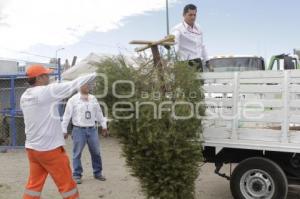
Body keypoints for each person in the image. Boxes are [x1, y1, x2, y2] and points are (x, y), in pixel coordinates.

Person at [21, 64, 96, 199]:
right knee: (68, 187)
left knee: (33, 187)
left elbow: (59, 87)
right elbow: (74, 85)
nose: (49, 77)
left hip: (33, 150)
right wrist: (97, 72)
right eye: (46, 75)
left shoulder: (25, 96)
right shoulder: (45, 92)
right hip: (50, 150)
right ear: (39, 78)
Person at [62, 83, 108, 184]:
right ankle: (77, 175)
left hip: (92, 129)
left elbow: (99, 113)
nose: (88, 87)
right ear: (79, 86)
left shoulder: (93, 98)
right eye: (85, 85)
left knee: (96, 152)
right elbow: (66, 115)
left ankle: (98, 173)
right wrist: (64, 130)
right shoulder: (73, 100)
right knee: (77, 153)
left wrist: (104, 126)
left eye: (88, 85)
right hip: (78, 130)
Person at [171, 4, 208, 72]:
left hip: (198, 63)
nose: (193, 17)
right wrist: (170, 42)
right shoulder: (177, 29)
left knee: (199, 83)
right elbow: (175, 41)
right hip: (184, 64)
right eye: (190, 15)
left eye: (194, 15)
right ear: (184, 15)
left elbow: (202, 45)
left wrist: (207, 60)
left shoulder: (199, 28)